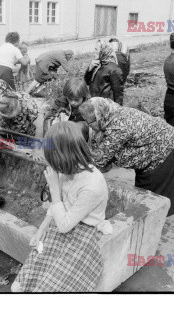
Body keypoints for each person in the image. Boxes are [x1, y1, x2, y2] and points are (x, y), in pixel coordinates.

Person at [11, 121, 112, 292]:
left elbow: (64, 225)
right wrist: (41, 230)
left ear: (64, 157)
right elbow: (58, 207)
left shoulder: (92, 185)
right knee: (17, 287)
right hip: (61, 224)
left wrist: (54, 188)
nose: (51, 166)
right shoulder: (69, 169)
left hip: (84, 234)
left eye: (53, 161)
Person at [79, 97, 174, 217]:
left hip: (164, 148)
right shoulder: (110, 115)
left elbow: (100, 161)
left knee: (150, 196)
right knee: (143, 195)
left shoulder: (118, 126)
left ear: (99, 116)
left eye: (90, 122)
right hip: (155, 148)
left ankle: (153, 222)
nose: (90, 126)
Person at [0, 91, 40, 180]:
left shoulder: (28, 104)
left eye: (10, 117)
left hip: (26, 133)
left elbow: (40, 127)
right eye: (5, 117)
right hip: (4, 133)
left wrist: (36, 149)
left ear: (19, 109)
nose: (7, 119)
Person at [84, 40, 124, 105]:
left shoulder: (114, 69)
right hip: (96, 104)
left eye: (96, 49)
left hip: (106, 106)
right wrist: (89, 69)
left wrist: (118, 111)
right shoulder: (97, 64)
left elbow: (118, 94)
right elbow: (87, 82)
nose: (94, 52)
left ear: (103, 50)